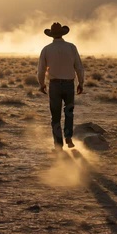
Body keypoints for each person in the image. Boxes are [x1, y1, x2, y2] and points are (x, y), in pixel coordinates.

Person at [38, 22, 85, 151]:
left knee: (55, 116)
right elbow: (79, 67)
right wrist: (81, 83)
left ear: (52, 35)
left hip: (54, 85)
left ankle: (58, 145)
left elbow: (41, 70)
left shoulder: (46, 49)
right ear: (62, 34)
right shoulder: (71, 47)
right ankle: (68, 137)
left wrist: (41, 84)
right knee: (69, 112)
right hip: (69, 84)